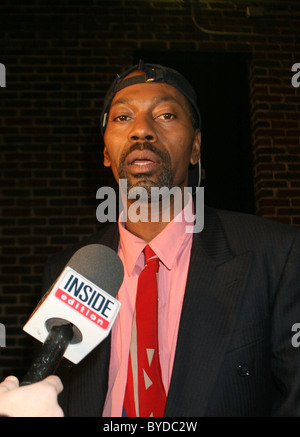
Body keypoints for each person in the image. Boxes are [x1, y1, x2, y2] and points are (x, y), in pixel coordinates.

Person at [43, 60, 300, 417]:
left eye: (165, 115)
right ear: (105, 152)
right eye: (122, 118)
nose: (142, 131)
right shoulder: (69, 271)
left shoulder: (276, 256)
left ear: (196, 147)